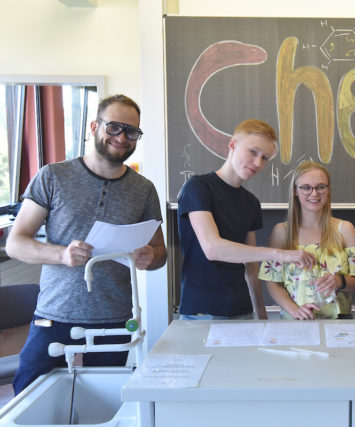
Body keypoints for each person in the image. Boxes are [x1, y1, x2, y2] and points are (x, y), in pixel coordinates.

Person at [6, 94, 167, 394]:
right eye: (114, 127)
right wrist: (62, 254)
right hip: (55, 315)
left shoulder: (143, 190)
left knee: (104, 402)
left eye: (131, 131)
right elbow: (16, 244)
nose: (122, 137)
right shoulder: (53, 176)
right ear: (94, 126)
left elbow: (160, 254)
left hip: (116, 319)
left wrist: (150, 256)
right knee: (29, 396)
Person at [177, 119, 315, 321]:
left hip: (242, 312)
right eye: (253, 152)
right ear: (232, 145)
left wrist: (261, 313)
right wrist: (281, 254)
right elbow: (213, 249)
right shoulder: (198, 187)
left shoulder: (251, 203)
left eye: (265, 158)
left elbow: (251, 267)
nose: (258, 163)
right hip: (201, 313)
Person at [258, 161, 355, 320]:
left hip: (339, 324)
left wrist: (340, 281)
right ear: (296, 191)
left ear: (328, 189)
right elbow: (273, 282)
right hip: (296, 322)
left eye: (321, 187)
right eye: (306, 187)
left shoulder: (345, 230)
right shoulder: (282, 232)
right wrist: (294, 310)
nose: (314, 194)